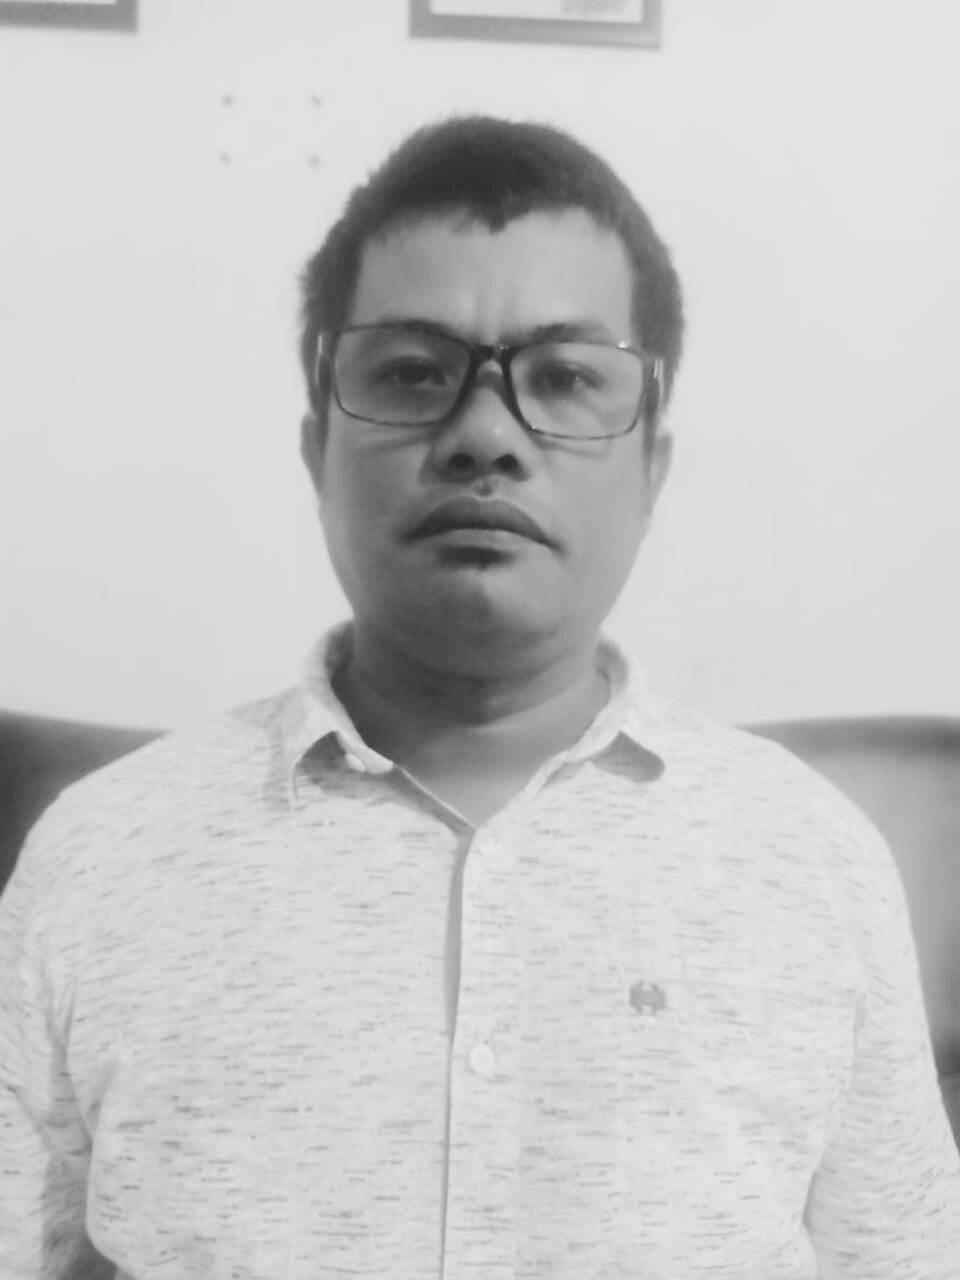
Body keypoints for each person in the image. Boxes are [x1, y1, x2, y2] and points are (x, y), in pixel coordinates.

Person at [0, 115, 957, 1280]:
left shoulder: (814, 862)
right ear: (315, 450)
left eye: (566, 377)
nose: (486, 435)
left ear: (652, 466)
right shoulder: (99, 859)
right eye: (413, 372)